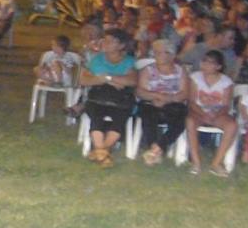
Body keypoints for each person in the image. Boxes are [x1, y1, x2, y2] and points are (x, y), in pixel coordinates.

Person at [79, 29, 138, 168]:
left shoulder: (129, 61)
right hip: (98, 97)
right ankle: (103, 151)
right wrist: (110, 80)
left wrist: (106, 77)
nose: (106, 43)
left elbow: (131, 81)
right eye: (105, 40)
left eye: (111, 41)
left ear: (121, 45)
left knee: (120, 117)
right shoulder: (97, 59)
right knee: (96, 115)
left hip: (121, 100)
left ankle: (100, 151)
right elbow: (83, 80)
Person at [136, 39, 189, 166]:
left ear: (172, 55)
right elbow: (140, 91)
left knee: (182, 118)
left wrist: (167, 99)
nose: (157, 55)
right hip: (151, 102)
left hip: (173, 103)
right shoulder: (147, 70)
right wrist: (156, 96)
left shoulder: (180, 71)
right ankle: (155, 149)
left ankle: (157, 148)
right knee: (148, 114)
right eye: (156, 52)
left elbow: (184, 93)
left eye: (162, 52)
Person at [185, 50, 237, 177]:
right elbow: (192, 101)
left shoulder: (226, 82)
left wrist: (215, 115)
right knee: (190, 122)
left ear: (218, 66)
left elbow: (226, 105)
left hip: (217, 113)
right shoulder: (195, 77)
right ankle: (196, 163)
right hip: (198, 111)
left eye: (210, 63)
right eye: (204, 61)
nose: (205, 65)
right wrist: (203, 114)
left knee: (232, 126)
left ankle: (216, 163)